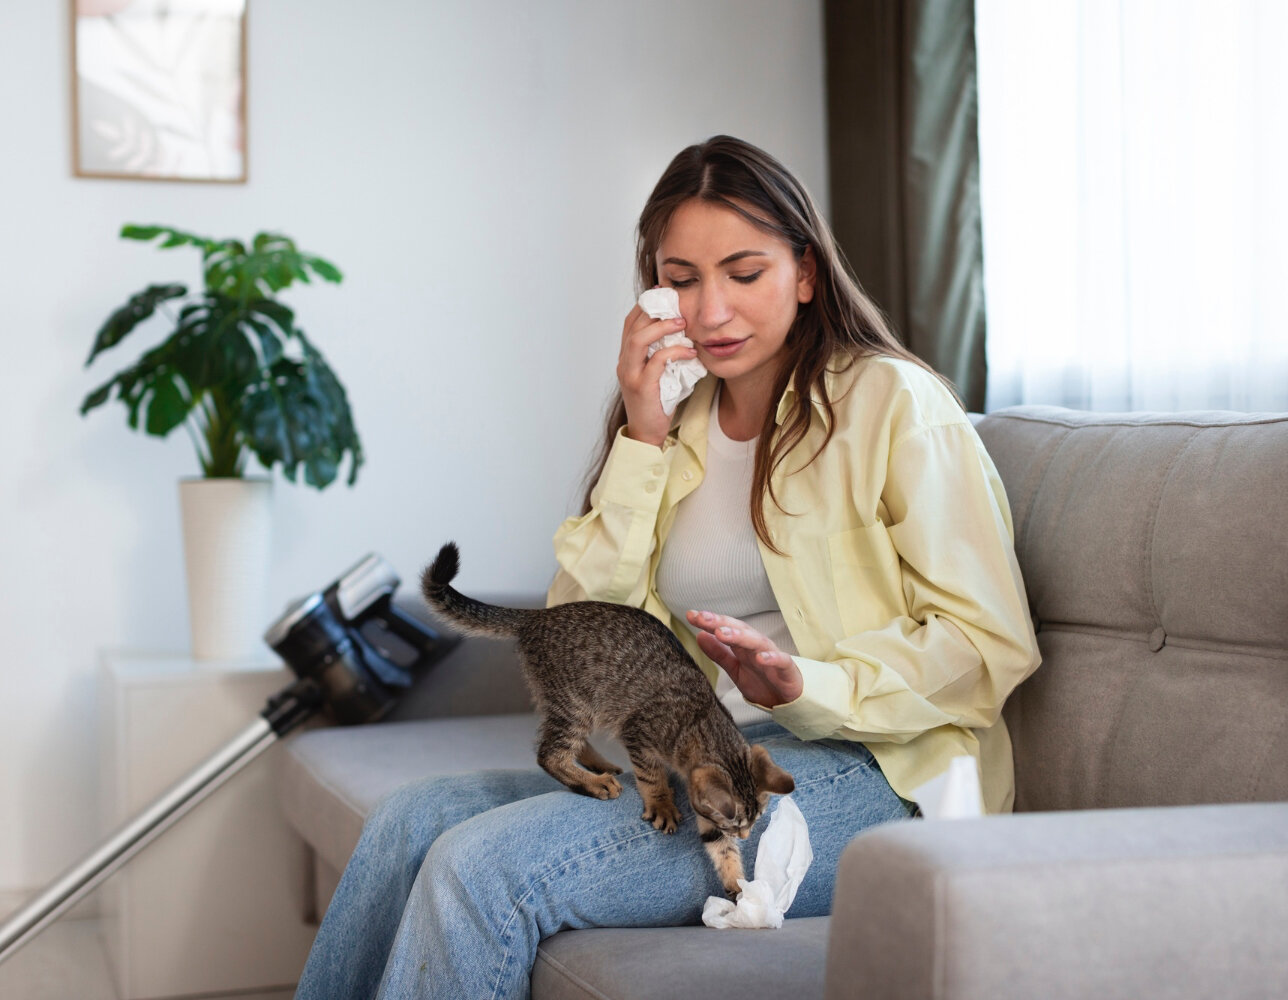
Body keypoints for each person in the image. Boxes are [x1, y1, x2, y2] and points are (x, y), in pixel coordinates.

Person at [294, 135, 1040, 1000]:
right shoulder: (675, 425)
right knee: (408, 823)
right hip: (704, 754)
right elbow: (579, 633)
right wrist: (640, 435)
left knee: (483, 868)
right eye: (682, 278)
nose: (711, 309)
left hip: (876, 771)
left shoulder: (890, 404)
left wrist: (806, 683)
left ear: (805, 272)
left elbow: (988, 645)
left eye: (744, 272)